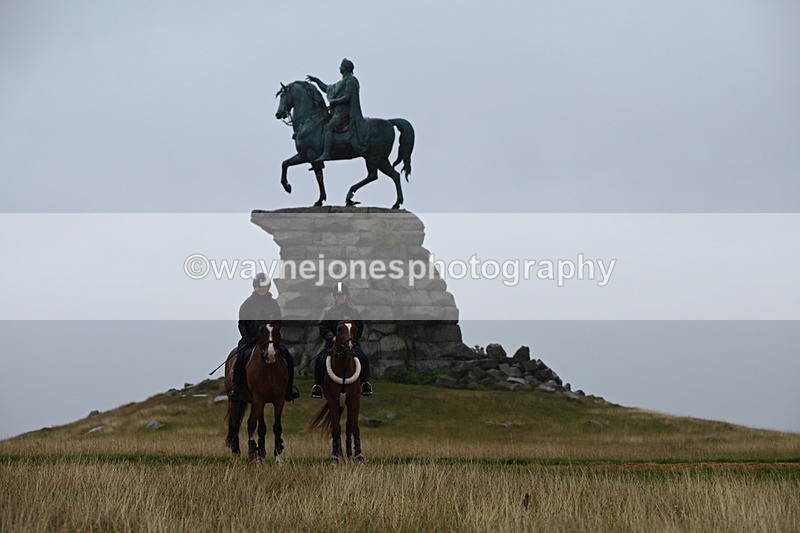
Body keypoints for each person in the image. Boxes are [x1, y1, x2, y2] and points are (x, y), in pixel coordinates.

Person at [228, 273, 300, 402]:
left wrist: (274, 336)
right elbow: (242, 324)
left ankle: (289, 388)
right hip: (250, 340)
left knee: (288, 357)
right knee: (240, 358)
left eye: (264, 287)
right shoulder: (247, 304)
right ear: (255, 287)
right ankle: (235, 388)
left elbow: (279, 322)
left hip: (270, 340)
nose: (262, 289)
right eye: (259, 287)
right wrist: (248, 338)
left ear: (268, 287)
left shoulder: (273, 304)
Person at [311, 281, 373, 398]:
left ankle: (365, 383)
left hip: (351, 343)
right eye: (338, 295)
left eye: (343, 295)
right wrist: (332, 337)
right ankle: (317, 386)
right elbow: (323, 327)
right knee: (319, 360)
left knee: (363, 358)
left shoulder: (354, 312)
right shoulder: (328, 312)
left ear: (347, 296)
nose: (340, 297)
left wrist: (352, 340)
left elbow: (359, 327)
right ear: (334, 296)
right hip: (332, 344)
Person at [306, 58, 369, 162]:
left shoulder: (351, 80)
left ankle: (326, 154)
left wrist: (334, 101)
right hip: (337, 113)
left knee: (328, 127)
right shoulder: (341, 82)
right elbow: (327, 89)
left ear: (345, 68)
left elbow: (347, 97)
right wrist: (316, 80)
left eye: (341, 66)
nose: (339, 67)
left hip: (344, 113)